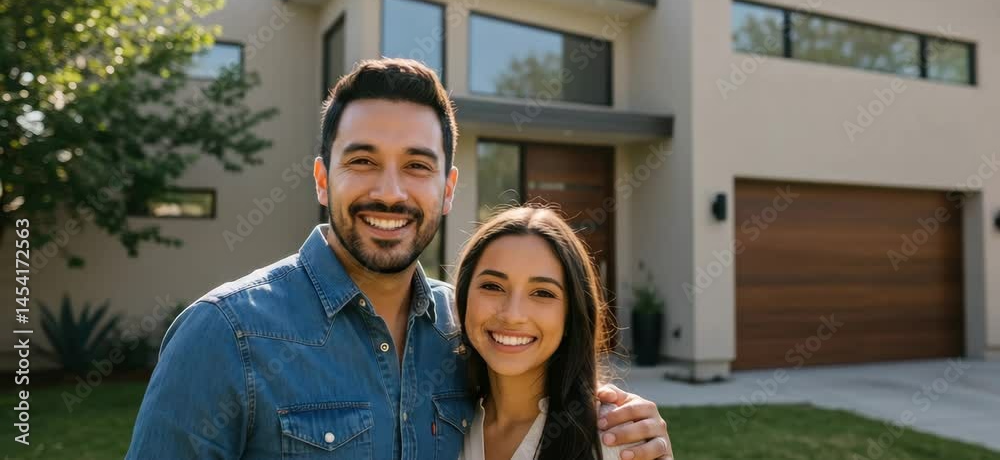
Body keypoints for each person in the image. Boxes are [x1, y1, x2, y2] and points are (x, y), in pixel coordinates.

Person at [125, 58, 673, 459]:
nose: (390, 192)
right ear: (322, 178)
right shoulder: (225, 335)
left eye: (417, 165)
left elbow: (549, 397)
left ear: (448, 189)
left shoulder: (464, 330)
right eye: (362, 160)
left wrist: (627, 424)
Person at [455, 206, 630, 460]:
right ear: (464, 297)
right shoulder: (441, 426)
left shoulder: (615, 437)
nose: (512, 315)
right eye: (492, 286)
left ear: (572, 314)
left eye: (542, 293)